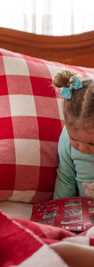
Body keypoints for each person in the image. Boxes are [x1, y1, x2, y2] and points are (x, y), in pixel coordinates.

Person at [52, 69, 94, 199]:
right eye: (74, 139)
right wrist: (59, 208)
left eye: (92, 143)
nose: (82, 148)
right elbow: (65, 178)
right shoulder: (65, 139)